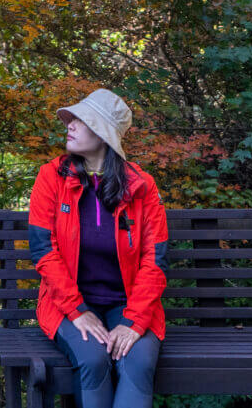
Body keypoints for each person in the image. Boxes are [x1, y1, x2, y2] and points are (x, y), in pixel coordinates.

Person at [27, 88, 170, 408]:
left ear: (104, 135)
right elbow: (43, 251)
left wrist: (134, 322)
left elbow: (155, 259)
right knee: (93, 360)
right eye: (72, 119)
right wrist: (78, 311)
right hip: (69, 306)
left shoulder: (141, 186)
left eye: (82, 120)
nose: (71, 125)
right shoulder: (51, 178)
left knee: (138, 361)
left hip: (130, 303)